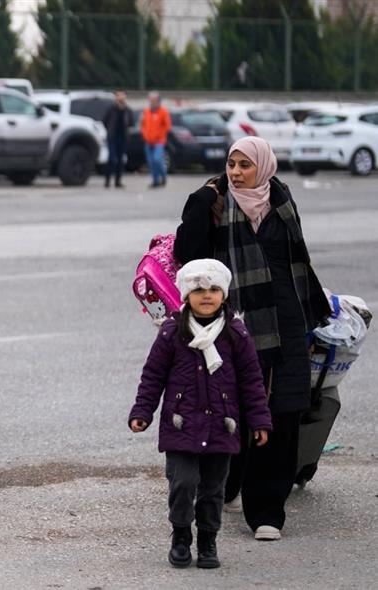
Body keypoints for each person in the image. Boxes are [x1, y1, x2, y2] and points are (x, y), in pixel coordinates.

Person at [173, 136, 331, 541]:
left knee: (283, 412)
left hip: (288, 318)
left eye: (245, 165)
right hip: (237, 321)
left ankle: (267, 512)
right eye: (232, 164)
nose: (237, 173)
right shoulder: (215, 203)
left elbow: (299, 259)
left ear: (263, 166)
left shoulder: (281, 199)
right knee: (233, 408)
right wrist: (198, 201)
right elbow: (187, 254)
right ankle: (227, 486)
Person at [129, 258, 272, 569]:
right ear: (185, 295)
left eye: (214, 289)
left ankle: (208, 539)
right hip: (181, 424)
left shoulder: (236, 333)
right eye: (199, 290)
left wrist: (260, 419)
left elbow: (251, 380)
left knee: (212, 488)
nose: (206, 295)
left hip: (223, 425)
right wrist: (143, 411)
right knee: (182, 482)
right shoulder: (172, 331)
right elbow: (153, 375)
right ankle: (181, 535)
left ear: (224, 294)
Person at [141, 91, 172, 188]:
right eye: (150, 100)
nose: (152, 102)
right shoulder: (146, 111)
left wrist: (159, 134)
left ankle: (163, 176)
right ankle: (155, 181)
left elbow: (167, 127)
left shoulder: (163, 111)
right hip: (148, 141)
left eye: (154, 100)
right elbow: (143, 124)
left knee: (157, 159)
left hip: (159, 141)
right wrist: (145, 134)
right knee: (151, 162)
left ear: (158, 101)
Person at [102, 91, 133, 188]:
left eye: (123, 95)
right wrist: (110, 130)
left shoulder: (128, 110)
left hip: (123, 138)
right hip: (112, 137)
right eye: (119, 95)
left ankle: (117, 181)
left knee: (120, 160)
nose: (121, 97)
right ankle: (107, 180)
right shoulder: (111, 109)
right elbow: (105, 121)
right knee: (111, 158)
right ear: (116, 97)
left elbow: (131, 123)